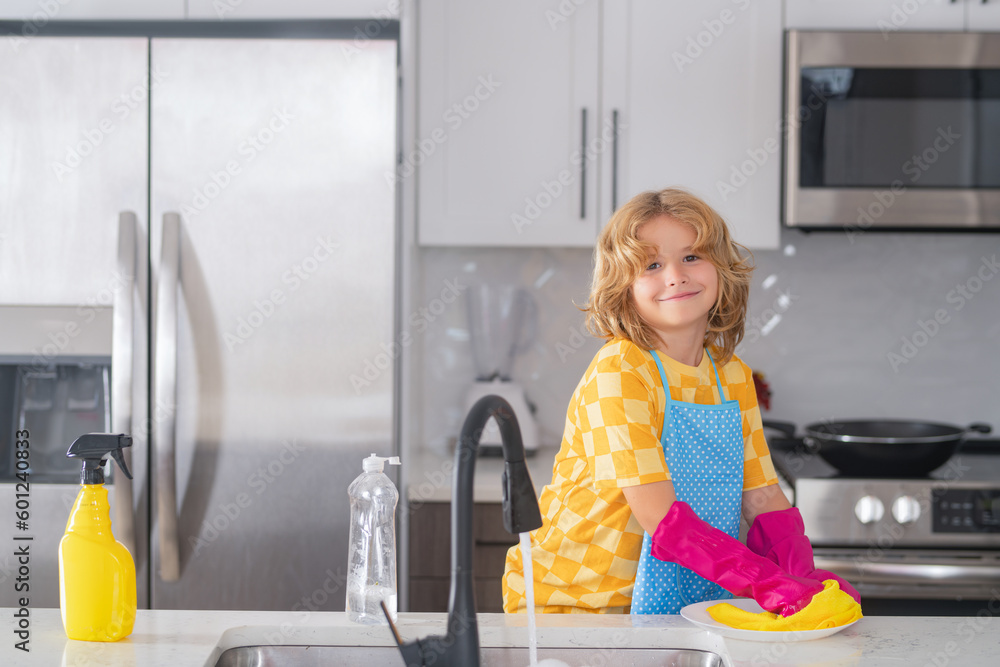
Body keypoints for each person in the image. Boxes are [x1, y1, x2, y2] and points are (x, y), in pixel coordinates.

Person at [502, 188, 860, 616]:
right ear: (623, 287)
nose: (675, 275)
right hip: (579, 606)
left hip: (680, 603)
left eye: (692, 256)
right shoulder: (622, 372)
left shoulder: (731, 374)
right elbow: (662, 520)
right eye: (651, 265)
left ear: (721, 268)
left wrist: (800, 577)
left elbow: (762, 497)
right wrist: (763, 580)